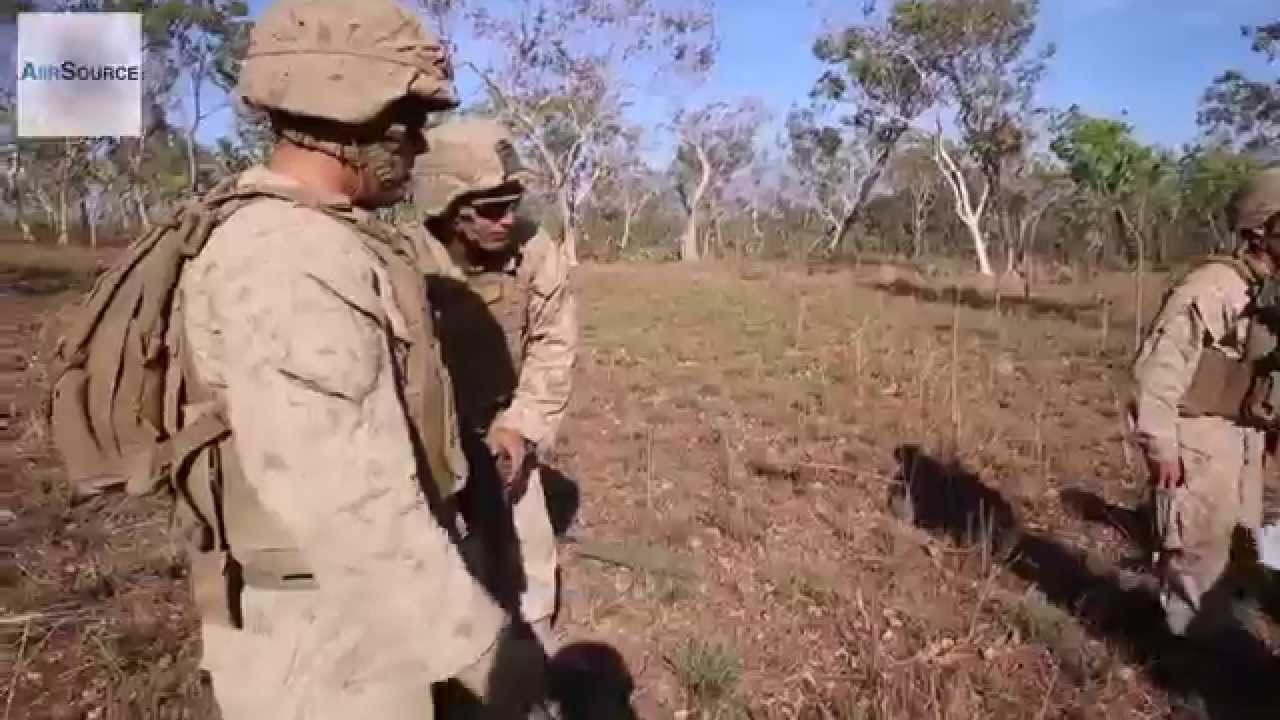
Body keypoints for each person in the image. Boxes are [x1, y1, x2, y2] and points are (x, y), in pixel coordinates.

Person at [177, 1, 548, 716]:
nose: (418, 143)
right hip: (326, 639)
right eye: (408, 120)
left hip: (358, 608)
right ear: (353, 116)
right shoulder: (289, 256)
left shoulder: (330, 237)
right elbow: (345, 498)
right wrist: (483, 652)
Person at [407, 116, 579, 653]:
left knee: (529, 561)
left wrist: (521, 430)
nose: (509, 218)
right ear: (447, 210)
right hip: (423, 437)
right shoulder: (399, 262)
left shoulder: (534, 251)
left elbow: (554, 344)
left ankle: (532, 662)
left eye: (514, 201)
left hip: (504, 425)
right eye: (490, 209)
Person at [1131, 166, 1280, 638]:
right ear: (1261, 229)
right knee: (1196, 556)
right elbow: (1156, 373)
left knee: (1237, 554)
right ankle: (1181, 660)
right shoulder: (1213, 287)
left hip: (1243, 444)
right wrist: (1161, 448)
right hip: (1198, 444)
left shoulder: (1264, 291)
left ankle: (1218, 647)